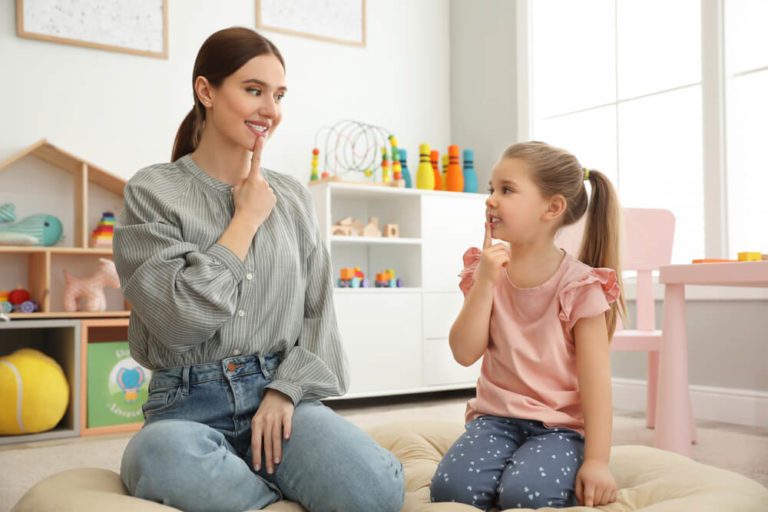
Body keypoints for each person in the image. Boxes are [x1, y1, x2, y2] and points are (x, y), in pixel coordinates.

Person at [113, 27, 404, 512]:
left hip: (279, 396)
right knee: (158, 456)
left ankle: (251, 489)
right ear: (206, 91)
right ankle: (273, 495)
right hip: (186, 406)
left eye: (279, 94)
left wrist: (285, 392)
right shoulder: (152, 191)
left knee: (374, 488)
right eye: (254, 90)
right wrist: (245, 220)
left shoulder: (292, 198)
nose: (271, 109)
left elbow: (318, 315)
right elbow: (177, 320)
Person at [429, 141, 625, 510]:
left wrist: (597, 462)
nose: (490, 199)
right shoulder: (485, 272)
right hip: (494, 419)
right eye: (491, 189)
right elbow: (463, 352)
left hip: (560, 428)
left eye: (507, 190)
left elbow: (597, 385)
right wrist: (484, 283)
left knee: (525, 495)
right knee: (451, 492)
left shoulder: (580, 286)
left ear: (551, 208)